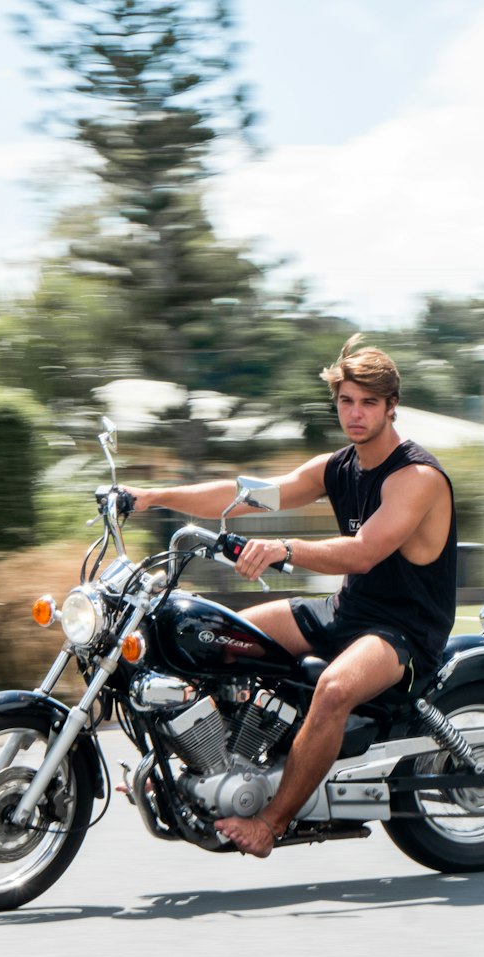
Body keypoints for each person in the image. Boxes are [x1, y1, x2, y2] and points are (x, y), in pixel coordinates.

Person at [125, 335, 457, 857]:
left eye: (369, 402)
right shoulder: (337, 467)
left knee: (331, 690)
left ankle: (271, 823)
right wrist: (154, 497)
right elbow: (246, 494)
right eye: (346, 401)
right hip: (347, 611)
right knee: (215, 638)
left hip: (404, 630)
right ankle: (198, 771)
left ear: (393, 407)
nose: (356, 413)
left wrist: (283, 548)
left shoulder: (417, 477)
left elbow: (362, 553)